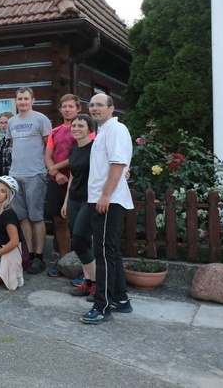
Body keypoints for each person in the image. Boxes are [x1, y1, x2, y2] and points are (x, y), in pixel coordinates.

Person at [79, 94, 133, 325]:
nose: (94, 109)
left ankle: (102, 306)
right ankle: (120, 299)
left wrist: (106, 195)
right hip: (101, 199)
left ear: (111, 108)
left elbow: (118, 163)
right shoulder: (102, 132)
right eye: (91, 105)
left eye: (100, 105)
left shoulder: (116, 130)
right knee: (110, 251)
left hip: (107, 201)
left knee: (103, 254)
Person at [7, 87, 52, 275]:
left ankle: (39, 257)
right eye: (19, 99)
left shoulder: (41, 119)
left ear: (33, 100)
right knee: (23, 217)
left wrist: (49, 169)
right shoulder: (11, 121)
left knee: (36, 216)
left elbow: (49, 146)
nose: (23, 102)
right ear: (16, 101)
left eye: (26, 98)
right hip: (16, 174)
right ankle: (29, 254)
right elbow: (12, 145)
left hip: (35, 174)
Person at [62, 114, 98, 299]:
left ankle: (98, 284)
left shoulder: (95, 148)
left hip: (88, 200)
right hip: (74, 200)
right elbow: (72, 177)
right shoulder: (73, 150)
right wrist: (66, 200)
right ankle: (88, 282)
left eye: (80, 125)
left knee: (79, 242)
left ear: (89, 129)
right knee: (80, 244)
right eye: (74, 125)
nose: (75, 128)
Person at [44, 94, 82, 260]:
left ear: (78, 109)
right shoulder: (54, 131)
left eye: (71, 106)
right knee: (59, 221)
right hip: (56, 181)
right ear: (60, 110)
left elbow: (81, 154)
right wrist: (56, 173)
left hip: (77, 180)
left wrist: (55, 168)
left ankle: (83, 261)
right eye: (64, 107)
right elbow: (47, 156)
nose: (67, 110)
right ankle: (64, 259)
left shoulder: (84, 129)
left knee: (79, 223)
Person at [0, 111, 14, 178]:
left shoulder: (15, 140)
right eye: (1, 123)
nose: (3, 125)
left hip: (12, 177)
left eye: (6, 122)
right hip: (1, 177)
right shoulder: (1, 141)